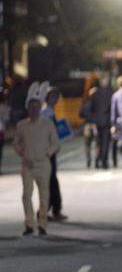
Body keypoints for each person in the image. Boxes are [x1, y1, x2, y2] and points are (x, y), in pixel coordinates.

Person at [12, 98, 59, 236]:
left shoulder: (47, 124)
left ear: (40, 109)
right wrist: (22, 154)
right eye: (31, 107)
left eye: (36, 107)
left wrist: (47, 153)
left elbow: (56, 143)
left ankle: (42, 224)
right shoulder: (21, 125)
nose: (34, 110)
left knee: (44, 196)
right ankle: (29, 224)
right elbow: (16, 142)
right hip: (27, 165)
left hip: (43, 164)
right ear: (28, 109)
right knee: (26, 195)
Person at [42, 88, 66, 221]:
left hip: (50, 150)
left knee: (52, 181)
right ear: (47, 98)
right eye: (53, 96)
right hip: (47, 151)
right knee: (50, 181)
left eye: (57, 96)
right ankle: (48, 211)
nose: (56, 99)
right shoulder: (45, 112)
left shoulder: (49, 111)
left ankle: (52, 210)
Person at [90, 75, 114, 169]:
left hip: (97, 121)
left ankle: (98, 160)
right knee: (106, 143)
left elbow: (92, 108)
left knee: (98, 142)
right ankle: (104, 161)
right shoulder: (111, 93)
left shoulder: (95, 93)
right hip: (107, 121)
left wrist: (93, 121)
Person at [79, 87, 98, 168]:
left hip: (87, 125)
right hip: (96, 125)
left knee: (87, 145)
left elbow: (80, 114)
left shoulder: (85, 104)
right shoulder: (100, 105)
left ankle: (88, 161)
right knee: (98, 144)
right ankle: (97, 161)